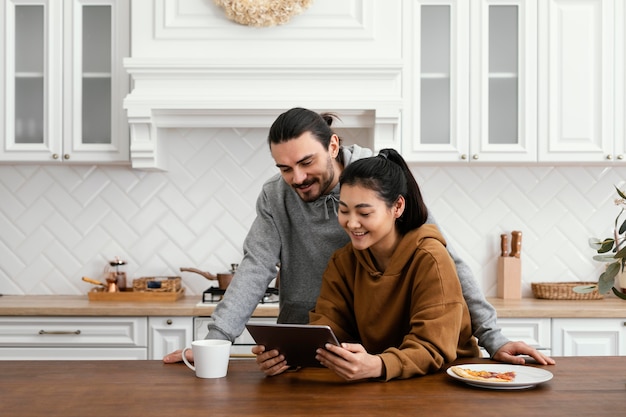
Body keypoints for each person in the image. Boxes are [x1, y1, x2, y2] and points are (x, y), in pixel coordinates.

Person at [163, 107, 554, 366]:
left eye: (306, 162)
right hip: (316, 342)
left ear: (333, 146)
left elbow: (442, 259)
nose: (296, 178)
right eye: (284, 168)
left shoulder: (377, 178)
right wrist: (214, 342)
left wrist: (493, 336)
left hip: (393, 347)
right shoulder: (275, 195)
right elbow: (255, 268)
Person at [254, 149, 481, 381]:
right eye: (343, 211)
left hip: (447, 382)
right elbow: (328, 328)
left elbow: (432, 346)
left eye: (364, 212)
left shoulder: (430, 258)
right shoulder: (343, 261)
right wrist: (293, 356)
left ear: (397, 207)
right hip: (380, 383)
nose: (352, 223)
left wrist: (379, 365)